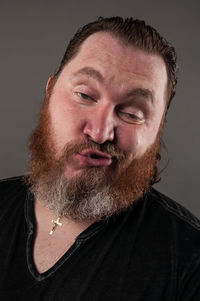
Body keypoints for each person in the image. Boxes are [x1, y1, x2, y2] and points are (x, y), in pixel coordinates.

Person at [0, 16, 200, 300]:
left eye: (132, 114)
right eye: (84, 95)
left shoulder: (190, 260)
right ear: (49, 92)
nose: (100, 131)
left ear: (158, 131)